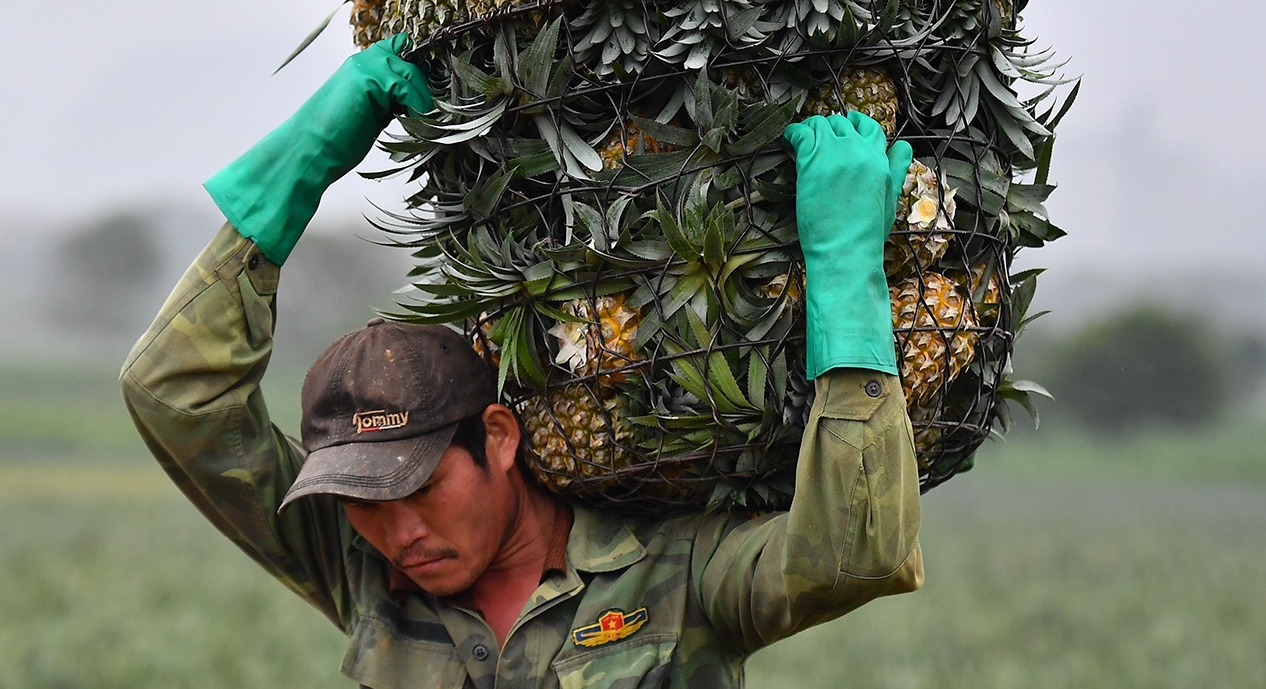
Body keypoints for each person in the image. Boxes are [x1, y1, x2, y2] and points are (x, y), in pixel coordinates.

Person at [122, 36, 923, 687]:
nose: (398, 533)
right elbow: (172, 396)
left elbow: (856, 558)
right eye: (365, 501)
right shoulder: (359, 569)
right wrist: (297, 169)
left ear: (498, 438)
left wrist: (845, 278)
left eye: (422, 486)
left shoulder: (676, 567)